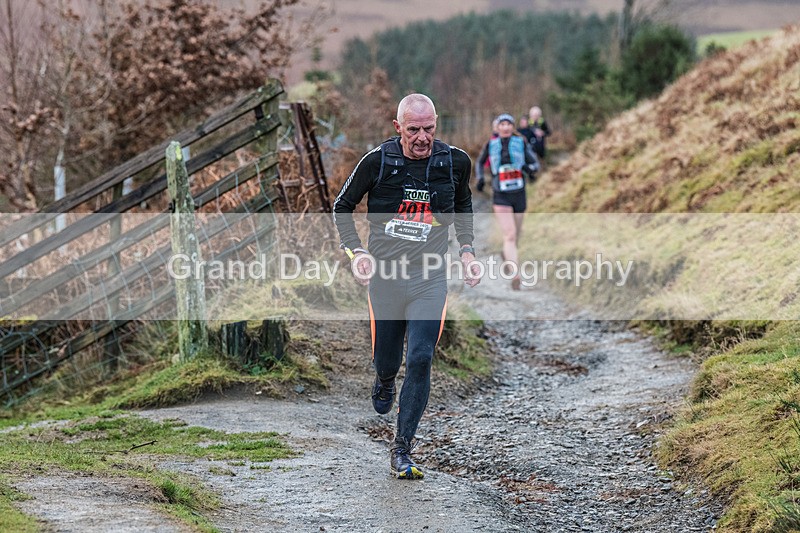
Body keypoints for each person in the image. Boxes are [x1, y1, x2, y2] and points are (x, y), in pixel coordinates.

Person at [333, 93, 481, 479]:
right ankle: (384, 379)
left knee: (420, 358)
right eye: (413, 129)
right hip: (385, 277)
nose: (422, 137)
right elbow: (341, 206)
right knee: (388, 361)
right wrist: (357, 253)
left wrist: (467, 251)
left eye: (429, 128)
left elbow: (463, 205)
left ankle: (402, 448)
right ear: (398, 127)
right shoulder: (377, 161)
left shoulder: (454, 162)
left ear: (436, 123)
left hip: (429, 277)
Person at [475, 113, 539, 290]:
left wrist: (529, 169)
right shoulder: (491, 144)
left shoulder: (521, 142)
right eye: (502, 124)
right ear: (497, 128)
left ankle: (507, 255)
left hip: (519, 194)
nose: (505, 127)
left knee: (516, 234)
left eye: (508, 124)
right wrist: (480, 178)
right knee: (510, 234)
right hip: (500, 194)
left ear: (512, 127)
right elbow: (479, 163)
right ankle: (515, 275)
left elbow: (535, 163)